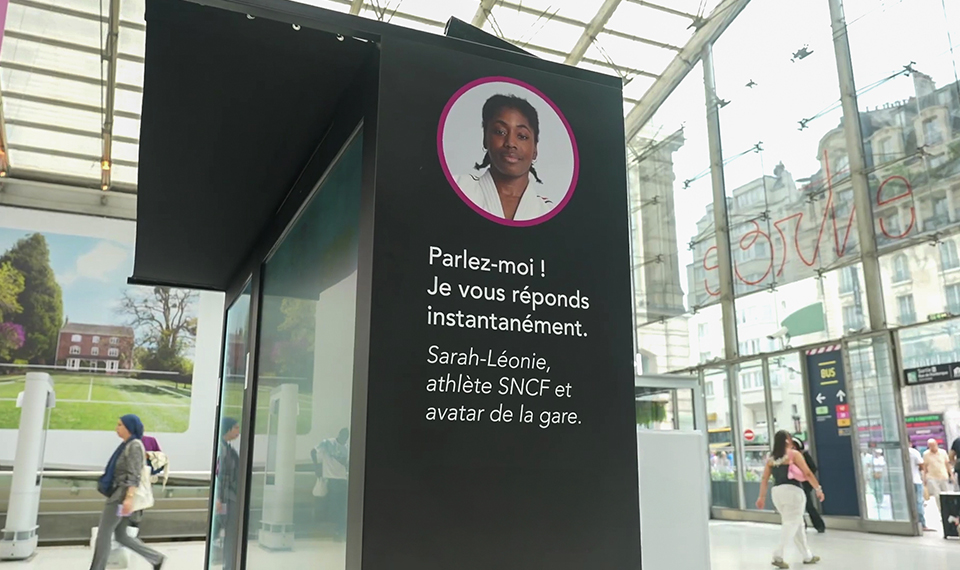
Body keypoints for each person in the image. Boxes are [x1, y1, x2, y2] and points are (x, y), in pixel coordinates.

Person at [454, 94, 554, 221]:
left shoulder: (547, 211)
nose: (510, 143)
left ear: (535, 149)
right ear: (485, 139)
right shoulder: (457, 187)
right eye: (500, 132)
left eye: (522, 136)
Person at [89, 414, 164, 570]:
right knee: (121, 535)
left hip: (120, 497)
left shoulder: (134, 445)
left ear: (130, 427)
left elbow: (134, 474)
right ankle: (156, 558)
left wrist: (128, 499)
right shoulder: (127, 445)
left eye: (120, 425)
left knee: (104, 534)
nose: (117, 428)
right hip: (122, 496)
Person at [757, 430, 824, 568]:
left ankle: (807, 555)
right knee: (791, 523)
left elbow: (764, 478)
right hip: (793, 492)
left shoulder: (772, 458)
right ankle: (778, 555)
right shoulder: (794, 454)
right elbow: (807, 473)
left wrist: (762, 497)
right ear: (788, 440)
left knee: (798, 523)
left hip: (777, 493)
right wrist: (818, 489)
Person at [313, 428, 350, 541]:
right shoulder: (328, 443)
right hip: (331, 478)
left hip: (342, 479)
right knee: (336, 506)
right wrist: (317, 466)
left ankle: (339, 530)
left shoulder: (347, 447)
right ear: (339, 435)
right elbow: (313, 451)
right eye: (343, 436)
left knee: (341, 506)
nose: (344, 439)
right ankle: (338, 529)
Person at [214, 418, 241, 570]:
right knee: (228, 531)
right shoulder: (222, 450)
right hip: (226, 499)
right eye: (236, 428)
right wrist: (218, 498)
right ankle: (228, 565)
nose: (238, 431)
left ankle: (228, 564)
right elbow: (220, 475)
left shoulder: (226, 449)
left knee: (224, 530)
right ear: (228, 429)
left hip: (227, 497)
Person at [792, 439, 825, 533]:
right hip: (794, 484)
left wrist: (804, 476)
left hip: (804, 484)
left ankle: (819, 525)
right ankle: (802, 525)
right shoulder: (789, 457)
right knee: (796, 506)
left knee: (808, 505)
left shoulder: (804, 456)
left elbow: (812, 469)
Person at [923, 438, 954, 515]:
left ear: (936, 444)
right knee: (937, 496)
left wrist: (951, 475)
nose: (932, 447)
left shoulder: (943, 452)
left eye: (933, 445)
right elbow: (925, 467)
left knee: (948, 494)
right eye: (930, 446)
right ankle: (942, 513)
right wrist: (924, 479)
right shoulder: (926, 454)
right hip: (932, 477)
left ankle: (951, 511)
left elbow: (947, 464)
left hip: (943, 476)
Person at [908, 443, 932, 532]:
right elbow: (922, 466)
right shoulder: (914, 452)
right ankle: (921, 524)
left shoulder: (896, 452)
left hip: (903, 482)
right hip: (916, 480)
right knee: (918, 502)